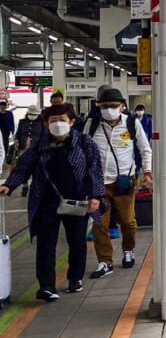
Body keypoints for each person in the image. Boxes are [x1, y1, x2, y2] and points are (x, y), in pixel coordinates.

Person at [0, 104, 104, 300]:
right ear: (46, 124)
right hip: (46, 201)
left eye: (62, 120)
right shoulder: (40, 145)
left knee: (77, 242)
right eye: (52, 121)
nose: (57, 124)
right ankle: (46, 286)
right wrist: (9, 185)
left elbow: (94, 171)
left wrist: (95, 197)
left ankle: (75, 278)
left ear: (72, 122)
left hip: (77, 201)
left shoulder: (84, 143)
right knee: (46, 244)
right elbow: (24, 167)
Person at [86, 88, 152, 275]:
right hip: (98, 183)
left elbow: (145, 149)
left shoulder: (132, 123)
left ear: (122, 106)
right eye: (105, 106)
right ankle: (105, 262)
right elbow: (82, 150)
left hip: (125, 181)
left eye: (113, 106)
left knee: (128, 221)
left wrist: (147, 173)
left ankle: (128, 250)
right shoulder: (92, 125)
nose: (109, 110)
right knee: (99, 224)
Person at [13, 106, 43, 196]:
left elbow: (44, 136)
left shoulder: (42, 123)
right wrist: (16, 140)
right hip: (23, 148)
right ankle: (25, 185)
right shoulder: (22, 122)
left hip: (36, 150)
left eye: (34, 114)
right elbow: (18, 134)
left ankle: (35, 187)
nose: (32, 116)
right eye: (30, 114)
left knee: (36, 169)